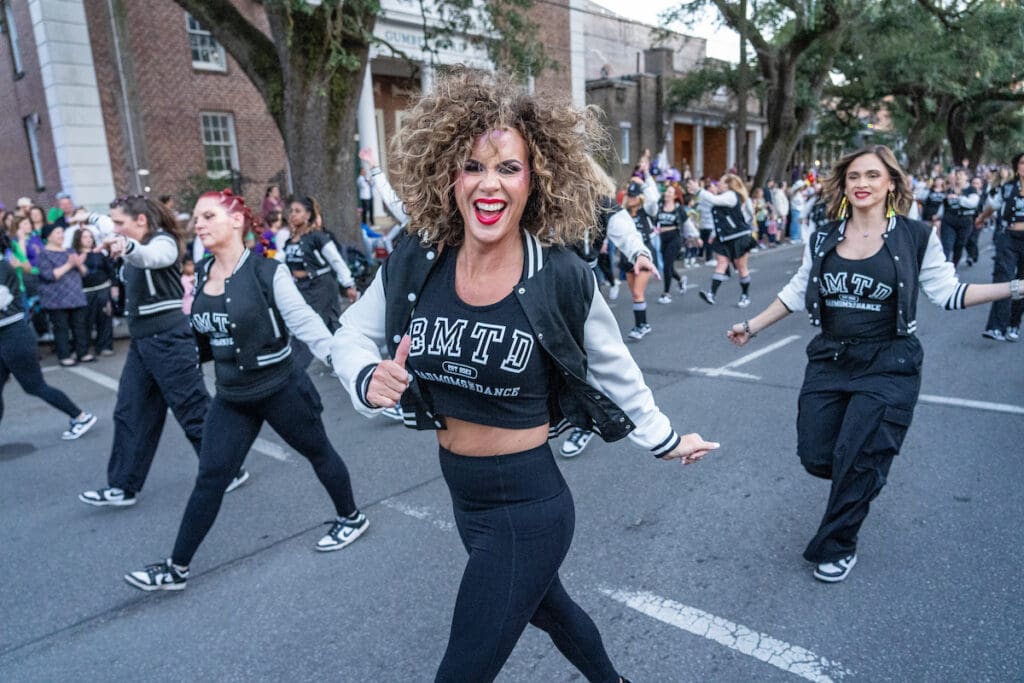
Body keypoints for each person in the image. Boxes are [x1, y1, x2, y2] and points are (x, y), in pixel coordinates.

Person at [331, 69, 718, 683]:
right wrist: (364, 378)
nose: (489, 183)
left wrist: (666, 439)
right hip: (465, 497)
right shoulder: (418, 258)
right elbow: (350, 333)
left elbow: (615, 369)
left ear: (535, 180)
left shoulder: (561, 275)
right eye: (473, 166)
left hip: (528, 506)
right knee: (552, 611)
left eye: (508, 168)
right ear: (449, 176)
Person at [725, 145, 1023, 583]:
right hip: (830, 358)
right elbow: (797, 290)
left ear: (891, 184)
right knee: (815, 454)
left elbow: (950, 293)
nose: (862, 184)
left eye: (872, 176)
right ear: (844, 185)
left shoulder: (916, 236)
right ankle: (861, 473)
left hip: (889, 362)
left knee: (860, 457)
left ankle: (838, 544)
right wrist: (752, 326)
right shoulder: (823, 236)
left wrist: (1015, 287)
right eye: (854, 176)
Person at [124, 190, 366, 592]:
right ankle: (175, 568)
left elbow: (307, 325)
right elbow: (203, 332)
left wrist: (353, 369)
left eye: (208, 216)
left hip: (280, 388)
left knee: (319, 452)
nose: (198, 224)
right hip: (233, 397)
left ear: (236, 221)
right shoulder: (203, 271)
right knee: (211, 477)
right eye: (196, 218)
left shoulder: (268, 271)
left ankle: (352, 517)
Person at [78, 196, 248, 508]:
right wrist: (87, 217)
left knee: (193, 409)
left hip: (169, 340)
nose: (114, 227)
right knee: (130, 411)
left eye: (120, 223)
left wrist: (125, 245)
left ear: (140, 221)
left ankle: (229, 471)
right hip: (143, 343)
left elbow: (151, 257)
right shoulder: (126, 236)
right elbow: (104, 224)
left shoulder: (163, 243)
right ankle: (123, 486)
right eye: (113, 222)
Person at [1, 244, 97, 440]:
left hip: (14, 335)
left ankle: (80, 417)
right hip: (6, 335)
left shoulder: (3, 266)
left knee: (34, 385)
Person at [276, 196, 358, 368]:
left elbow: (336, 260)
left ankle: (295, 369)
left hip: (321, 286)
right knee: (331, 324)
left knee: (305, 324)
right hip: (302, 287)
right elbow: (278, 262)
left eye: (298, 211)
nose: (293, 215)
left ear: (308, 215)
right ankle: (348, 361)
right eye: (291, 211)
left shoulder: (318, 237)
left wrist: (348, 284)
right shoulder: (290, 241)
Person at [979, 152, 1024, 341]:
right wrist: (981, 218)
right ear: (1016, 167)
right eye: (1022, 163)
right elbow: (993, 206)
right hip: (1008, 238)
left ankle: (1013, 324)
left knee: (1021, 283)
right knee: (1003, 279)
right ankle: (996, 327)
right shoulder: (1007, 188)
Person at [695, 174, 757, 308]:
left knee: (741, 267)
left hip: (739, 236)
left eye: (721, 182)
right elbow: (719, 220)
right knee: (721, 263)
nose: (718, 184)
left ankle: (745, 295)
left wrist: (699, 190)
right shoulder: (723, 197)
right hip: (724, 237)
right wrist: (714, 233)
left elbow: (714, 200)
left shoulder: (731, 195)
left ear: (728, 185)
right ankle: (711, 293)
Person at [36, 223, 91, 365]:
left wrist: (79, 264)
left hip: (76, 295)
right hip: (56, 299)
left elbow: (85, 272)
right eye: (58, 233)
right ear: (48, 236)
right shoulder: (43, 254)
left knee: (80, 326)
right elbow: (49, 275)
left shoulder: (70, 251)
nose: (61, 235)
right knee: (61, 328)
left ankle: (82, 353)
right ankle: (64, 356)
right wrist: (69, 264)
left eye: (62, 232)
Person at [73, 227, 115, 357]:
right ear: (78, 239)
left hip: (102, 289)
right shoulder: (74, 255)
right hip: (85, 291)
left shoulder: (99, 253)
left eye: (90, 237)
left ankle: (104, 346)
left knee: (105, 318)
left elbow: (110, 271)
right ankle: (82, 348)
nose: (89, 239)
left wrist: (114, 286)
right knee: (84, 321)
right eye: (85, 237)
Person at [939, 168, 979, 267]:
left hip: (965, 221)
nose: (958, 176)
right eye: (957, 174)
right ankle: (944, 268)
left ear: (966, 177)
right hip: (949, 220)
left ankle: (954, 266)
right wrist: (938, 216)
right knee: (947, 245)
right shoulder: (950, 189)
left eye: (961, 174)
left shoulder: (971, 189)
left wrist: (958, 197)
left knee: (959, 245)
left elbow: (973, 203)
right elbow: (944, 205)